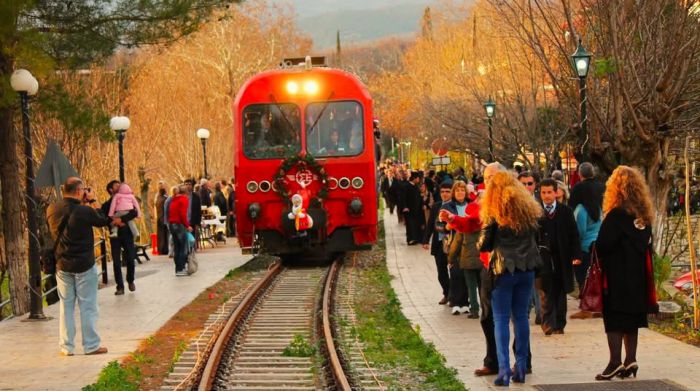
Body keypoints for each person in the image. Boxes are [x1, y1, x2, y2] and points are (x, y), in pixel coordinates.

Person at [478, 170, 542, 386]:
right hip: (526, 269)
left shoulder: (493, 211)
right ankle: (521, 367)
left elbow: (484, 244)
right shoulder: (528, 210)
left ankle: (504, 370)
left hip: (502, 269)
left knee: (501, 319)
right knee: (522, 317)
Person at [594, 166, 656, 381]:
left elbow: (603, 245)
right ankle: (631, 359)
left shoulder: (616, 216)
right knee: (632, 318)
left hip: (617, 276)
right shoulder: (643, 216)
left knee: (615, 318)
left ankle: (614, 362)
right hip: (638, 276)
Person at [48, 177, 123, 356]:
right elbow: (104, 220)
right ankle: (91, 345)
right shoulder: (84, 211)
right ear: (80, 191)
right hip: (84, 264)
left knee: (66, 306)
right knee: (87, 305)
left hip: (62, 264)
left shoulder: (52, 209)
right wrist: (93, 201)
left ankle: (66, 347)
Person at [536, 179, 581, 335]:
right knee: (545, 291)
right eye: (543, 192)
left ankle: (560, 324)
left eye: (549, 192)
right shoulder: (536, 211)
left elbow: (574, 234)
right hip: (543, 259)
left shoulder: (565, 211)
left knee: (561, 291)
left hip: (562, 256)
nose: (547, 196)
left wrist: (576, 254)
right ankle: (547, 323)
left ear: (556, 192)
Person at [447, 184, 484, 319]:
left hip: (467, 261)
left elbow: (455, 244)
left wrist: (450, 259)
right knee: (482, 287)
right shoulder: (483, 226)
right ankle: (485, 310)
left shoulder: (463, 226)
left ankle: (474, 310)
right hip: (481, 260)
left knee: (471, 287)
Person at [100, 180, 138, 295]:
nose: (119, 186)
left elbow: (134, 213)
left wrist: (122, 220)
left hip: (127, 233)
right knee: (116, 262)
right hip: (115, 235)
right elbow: (104, 219)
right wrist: (114, 222)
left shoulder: (126, 198)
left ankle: (130, 280)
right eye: (116, 185)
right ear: (111, 190)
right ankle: (119, 287)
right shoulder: (106, 205)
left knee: (131, 259)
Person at [422, 182, 453, 305]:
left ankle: (454, 296)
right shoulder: (436, 206)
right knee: (441, 272)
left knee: (455, 272)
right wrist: (425, 240)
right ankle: (447, 293)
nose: (444, 194)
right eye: (442, 192)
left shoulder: (455, 206)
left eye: (447, 191)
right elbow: (430, 225)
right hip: (438, 243)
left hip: (452, 243)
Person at [442, 180, 470, 315]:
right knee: (455, 272)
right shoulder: (447, 206)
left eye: (462, 190)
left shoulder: (471, 205)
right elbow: (439, 225)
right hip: (454, 243)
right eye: (458, 190)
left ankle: (465, 302)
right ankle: (455, 301)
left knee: (467, 272)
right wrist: (446, 227)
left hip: (469, 243)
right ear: (454, 192)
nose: (460, 193)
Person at [168, 185, 192, 276]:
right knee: (183, 247)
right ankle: (181, 268)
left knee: (177, 247)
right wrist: (187, 226)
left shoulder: (173, 199)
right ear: (186, 193)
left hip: (172, 224)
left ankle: (177, 269)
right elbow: (183, 214)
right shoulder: (183, 199)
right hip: (179, 225)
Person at [401, 172, 424, 245]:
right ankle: (410, 239)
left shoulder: (416, 186)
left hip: (417, 210)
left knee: (416, 224)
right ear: (414, 178)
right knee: (410, 225)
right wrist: (404, 207)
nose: (419, 180)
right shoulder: (406, 186)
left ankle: (415, 239)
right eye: (417, 178)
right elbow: (403, 197)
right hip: (409, 210)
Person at [186, 179, 202, 250]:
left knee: (192, 238)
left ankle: (192, 250)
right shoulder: (181, 196)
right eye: (186, 184)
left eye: (189, 184)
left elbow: (199, 210)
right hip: (183, 221)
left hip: (192, 220)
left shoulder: (196, 197)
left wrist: (198, 223)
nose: (188, 186)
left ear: (192, 186)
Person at [154, 182, 169, 255]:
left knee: (160, 235)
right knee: (165, 235)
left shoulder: (157, 198)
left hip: (159, 218)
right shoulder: (165, 199)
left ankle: (160, 249)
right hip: (164, 218)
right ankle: (164, 249)